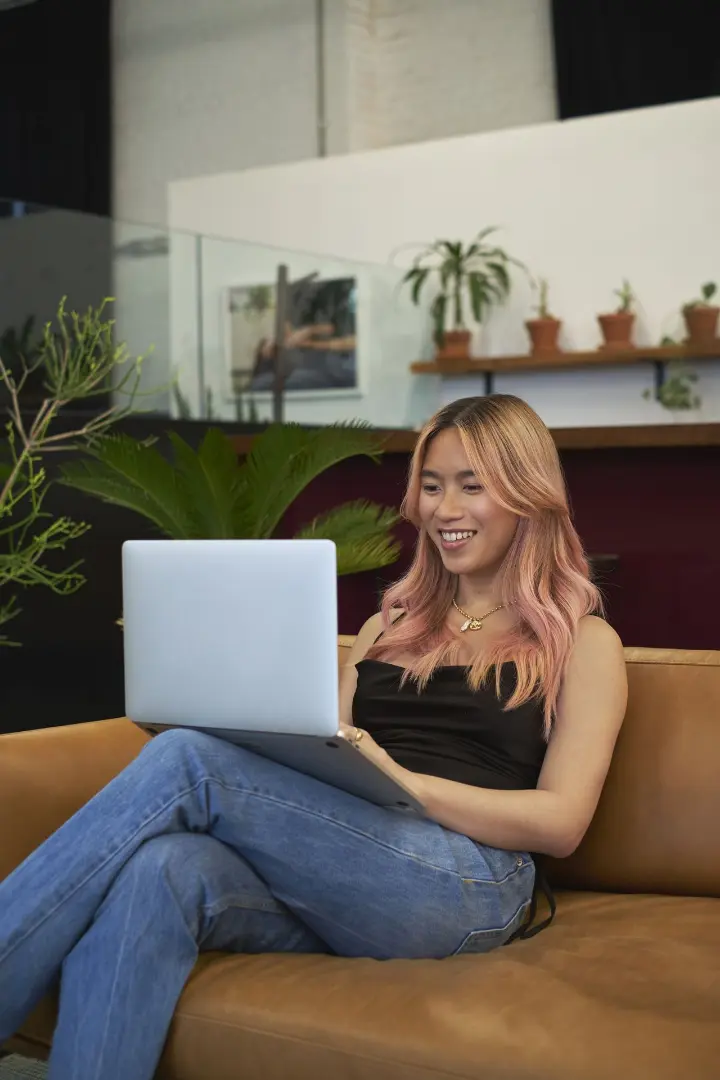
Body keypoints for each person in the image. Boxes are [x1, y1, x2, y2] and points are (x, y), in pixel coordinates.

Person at [0, 394, 628, 1080]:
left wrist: (411, 787)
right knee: (163, 869)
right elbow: (328, 758)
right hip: (350, 864)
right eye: (432, 485)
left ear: (525, 495)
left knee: (188, 760)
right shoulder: (384, 631)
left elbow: (562, 822)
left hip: (465, 883)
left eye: (472, 486)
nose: (445, 509)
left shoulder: (584, 644)